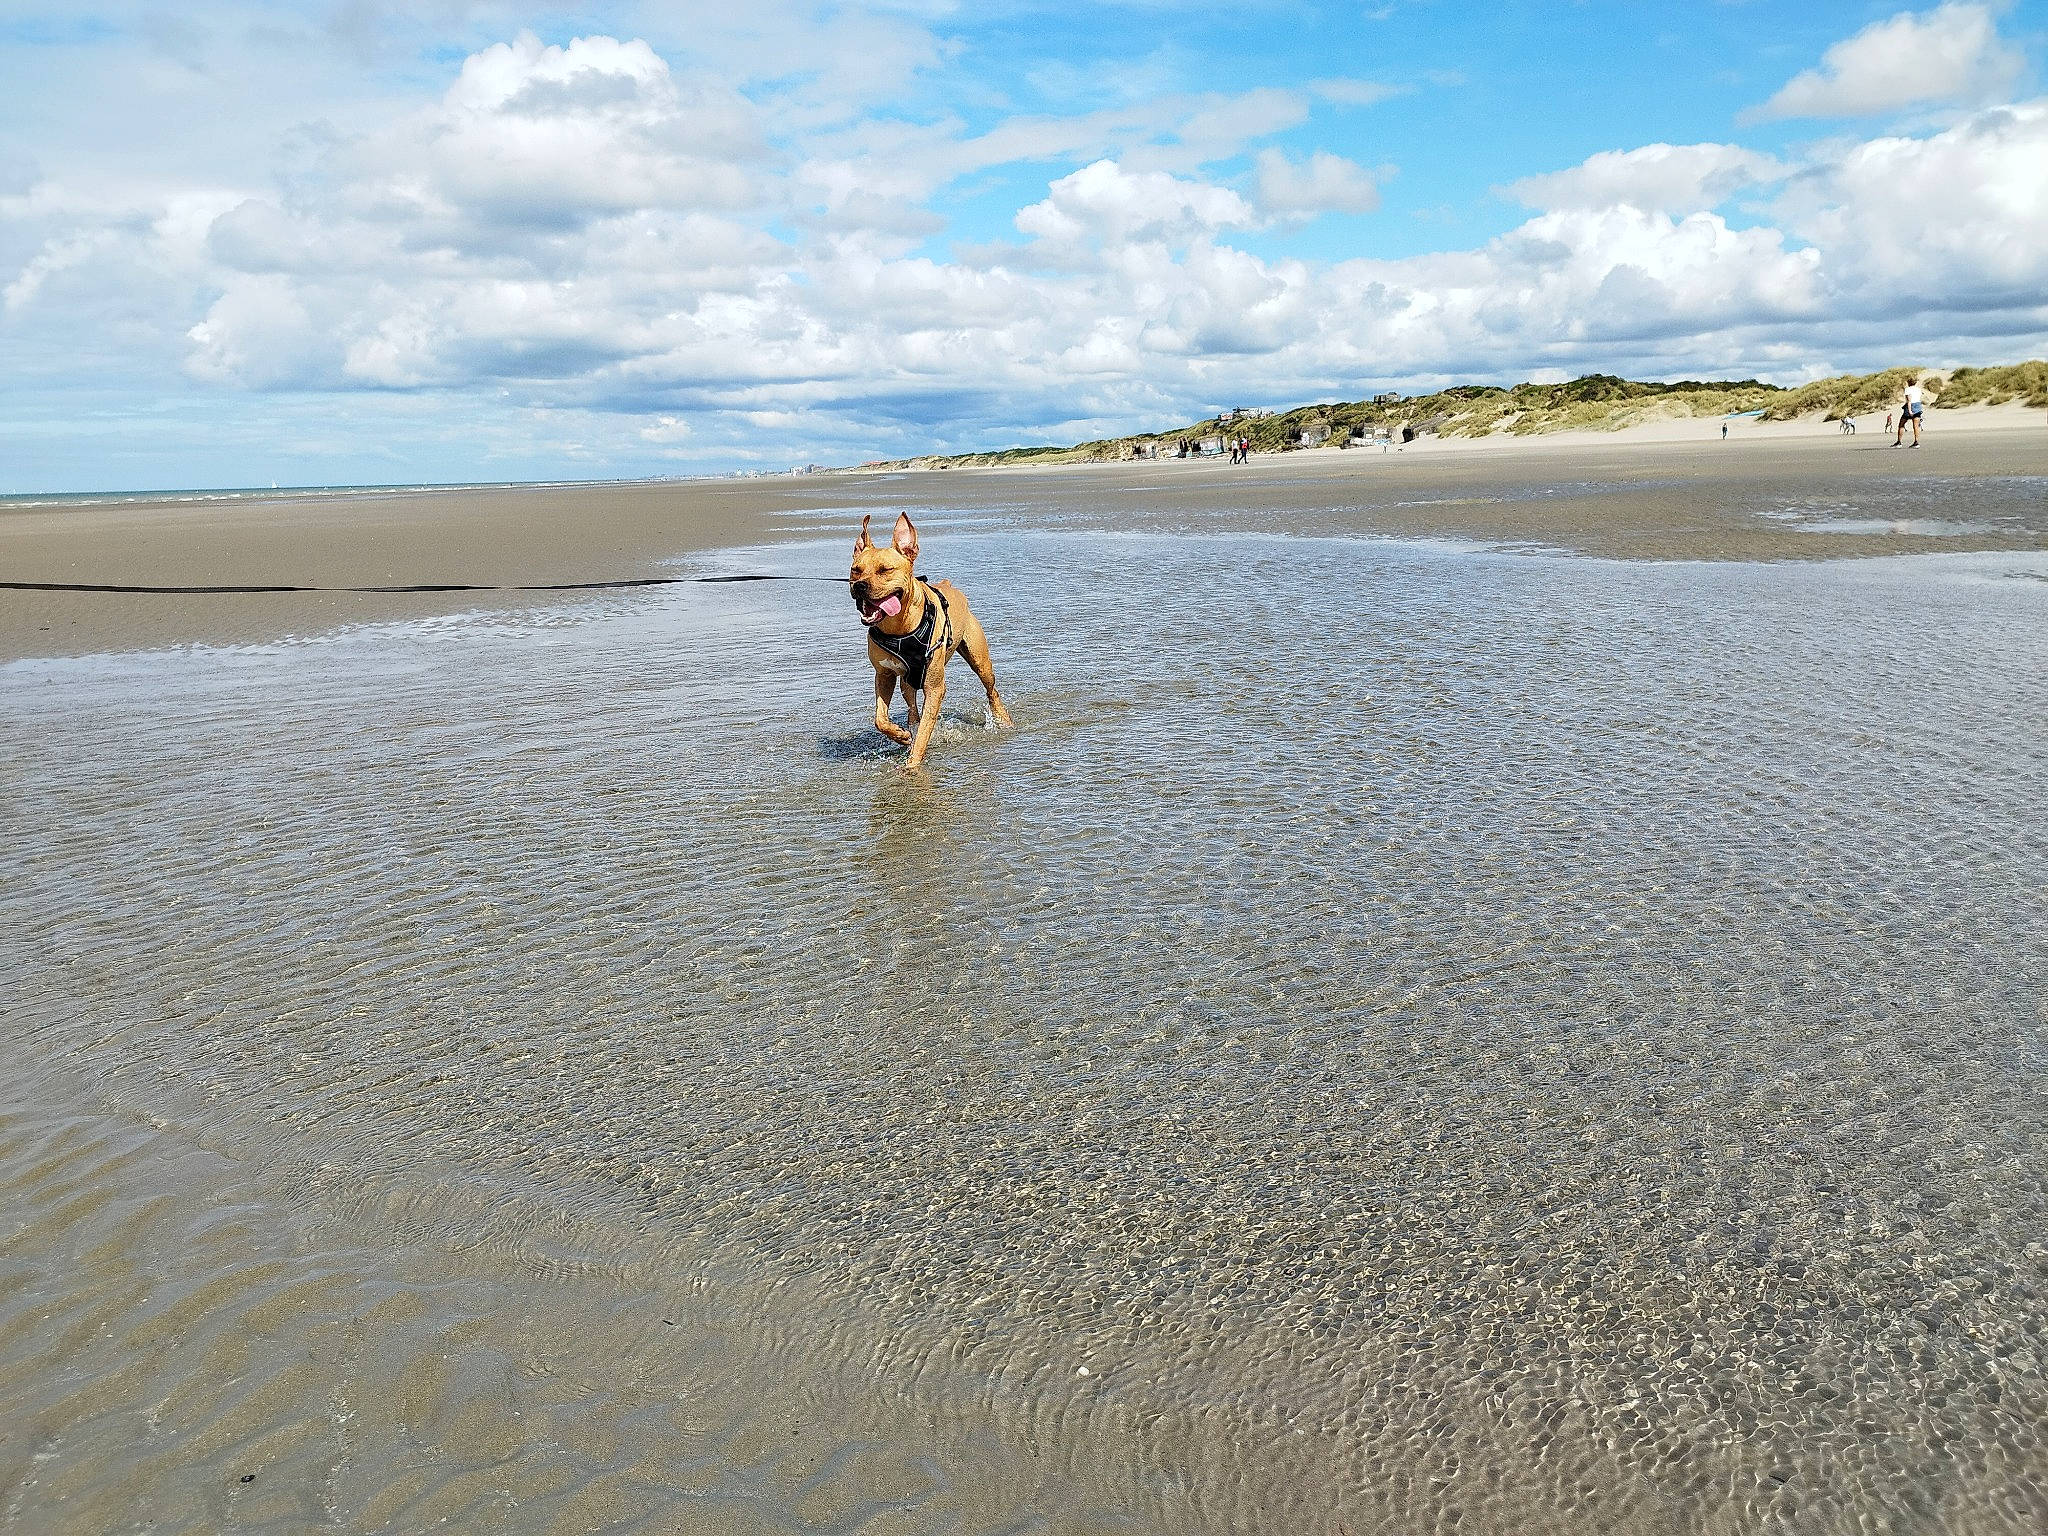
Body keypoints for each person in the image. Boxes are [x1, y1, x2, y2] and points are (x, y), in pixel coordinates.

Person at [1895, 377, 1925, 447]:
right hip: (1918, 406)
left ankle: (1899, 442)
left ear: (1908, 382)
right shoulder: (1918, 389)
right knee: (1916, 426)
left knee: (1901, 424)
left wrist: (1910, 411)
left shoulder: (1908, 389)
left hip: (1911, 406)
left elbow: (1909, 401)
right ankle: (1916, 442)